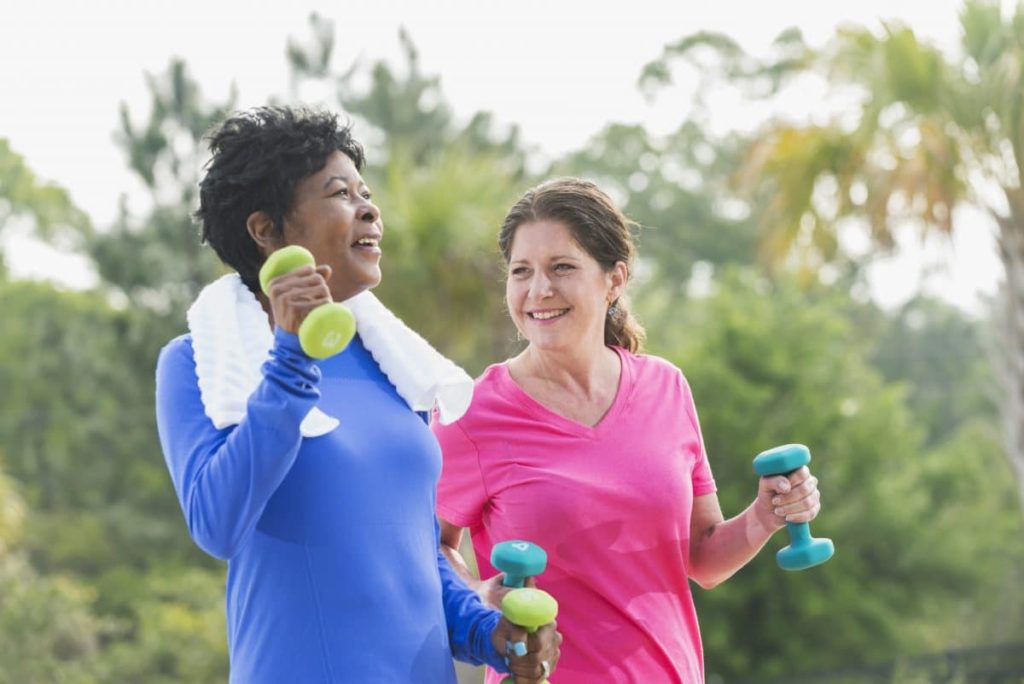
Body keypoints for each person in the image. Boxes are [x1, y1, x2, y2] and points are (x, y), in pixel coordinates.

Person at [155, 106, 559, 684]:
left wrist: (486, 633)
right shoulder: (198, 363)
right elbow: (217, 523)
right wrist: (291, 357)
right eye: (340, 193)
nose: (369, 208)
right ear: (267, 230)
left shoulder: (392, 366)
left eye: (365, 191)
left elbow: (414, 558)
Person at [433, 178, 824, 683]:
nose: (538, 290)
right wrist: (477, 601)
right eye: (521, 272)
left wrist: (766, 515)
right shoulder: (474, 412)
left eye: (562, 268)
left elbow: (701, 557)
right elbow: (425, 543)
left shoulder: (666, 388)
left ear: (613, 280)